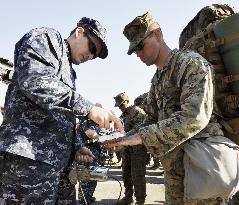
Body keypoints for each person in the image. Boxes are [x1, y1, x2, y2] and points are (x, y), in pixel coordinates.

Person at [105, 12, 230, 204]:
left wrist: (143, 136)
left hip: (201, 171)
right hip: (174, 175)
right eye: (133, 50)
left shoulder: (190, 63)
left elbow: (195, 116)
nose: (138, 53)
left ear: (157, 34)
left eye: (139, 46)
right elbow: (151, 120)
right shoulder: (157, 80)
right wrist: (124, 138)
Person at [0, 17, 123, 204]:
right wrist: (89, 108)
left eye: (95, 55)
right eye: (92, 48)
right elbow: (35, 80)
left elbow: (60, 116)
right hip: (28, 161)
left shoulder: (69, 70)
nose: (91, 56)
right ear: (79, 32)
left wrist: (76, 146)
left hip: (56, 167)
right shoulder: (47, 39)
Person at [114, 92, 148, 205]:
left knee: (137, 176)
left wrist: (124, 137)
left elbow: (141, 130)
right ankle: (128, 197)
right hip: (126, 150)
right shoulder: (122, 116)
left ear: (127, 101)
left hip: (138, 151)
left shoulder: (138, 112)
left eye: (121, 105)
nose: (120, 108)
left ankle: (140, 201)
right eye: (118, 106)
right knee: (126, 174)